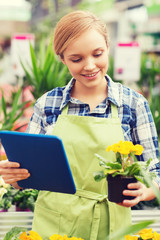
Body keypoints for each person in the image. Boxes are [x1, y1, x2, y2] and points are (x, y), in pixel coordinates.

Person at [0, 10, 160, 240]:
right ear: (62, 58)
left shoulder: (133, 104)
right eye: (77, 59)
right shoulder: (48, 105)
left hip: (111, 225)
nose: (90, 65)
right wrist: (14, 176)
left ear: (107, 46)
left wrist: (147, 190)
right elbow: (27, 176)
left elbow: (155, 169)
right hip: (53, 225)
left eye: (98, 54)